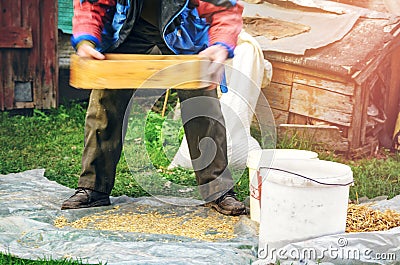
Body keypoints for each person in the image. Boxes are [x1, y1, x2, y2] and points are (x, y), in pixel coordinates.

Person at [61, 0, 246, 216]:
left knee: (203, 103)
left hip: (183, 28)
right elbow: (91, 3)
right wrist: (86, 39)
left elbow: (224, 8)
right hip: (128, 29)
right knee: (105, 101)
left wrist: (220, 44)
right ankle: (93, 188)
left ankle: (218, 191)